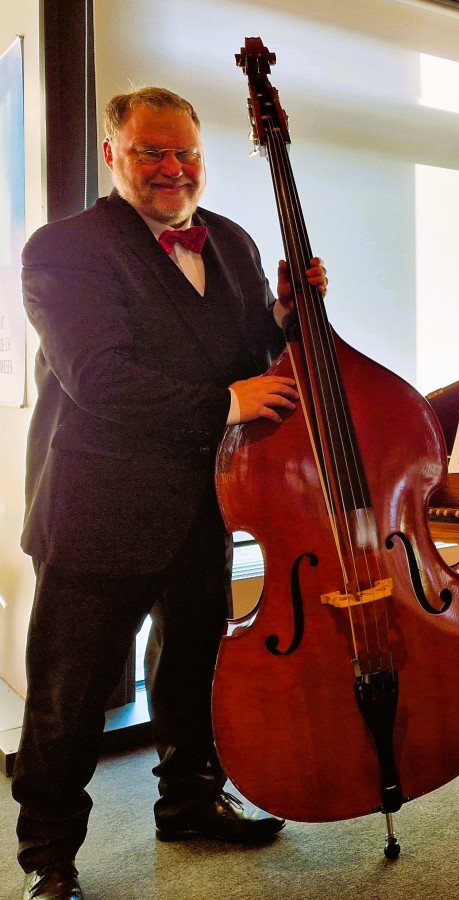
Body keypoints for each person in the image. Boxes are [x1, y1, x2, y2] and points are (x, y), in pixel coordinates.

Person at [15, 86, 328, 900]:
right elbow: (100, 378)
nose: (171, 168)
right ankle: (49, 856)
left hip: (208, 499)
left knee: (196, 673)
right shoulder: (63, 248)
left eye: (185, 152)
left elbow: (253, 349)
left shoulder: (229, 238)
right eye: (151, 151)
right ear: (113, 153)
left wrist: (290, 317)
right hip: (100, 506)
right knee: (69, 698)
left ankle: (190, 803)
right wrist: (228, 401)